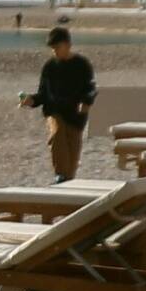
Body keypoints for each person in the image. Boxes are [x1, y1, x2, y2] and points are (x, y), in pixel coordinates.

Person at [25, 25, 99, 179]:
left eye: (57, 47)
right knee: (57, 134)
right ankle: (60, 176)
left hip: (76, 116)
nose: (55, 51)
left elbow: (91, 88)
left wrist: (86, 102)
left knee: (72, 156)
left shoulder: (82, 64)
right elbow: (43, 94)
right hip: (54, 111)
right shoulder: (49, 67)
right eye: (52, 48)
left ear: (68, 45)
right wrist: (31, 100)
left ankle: (67, 183)